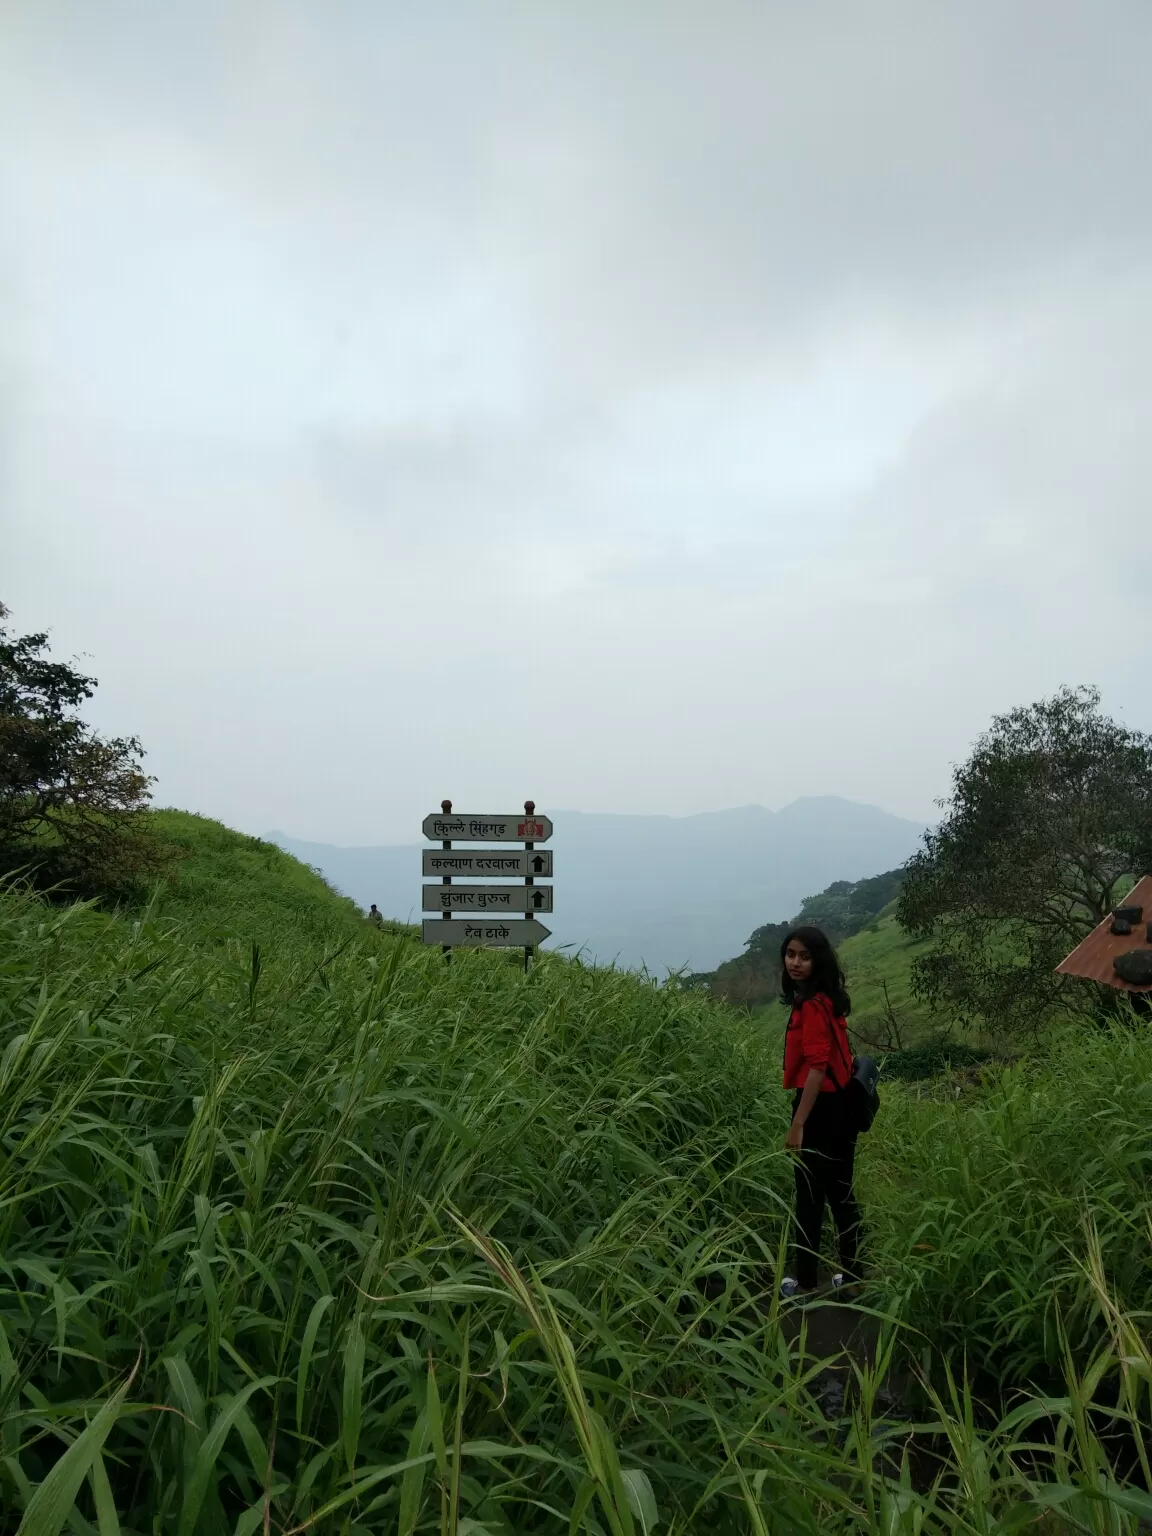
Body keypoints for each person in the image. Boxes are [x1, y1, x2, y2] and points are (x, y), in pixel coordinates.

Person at [778, 924, 865, 1302]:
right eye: (791, 954)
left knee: (809, 1197)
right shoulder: (827, 998)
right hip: (843, 1105)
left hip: (820, 1110)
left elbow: (815, 1068)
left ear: (818, 960)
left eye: (804, 956)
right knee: (841, 1194)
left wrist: (798, 1124)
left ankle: (806, 1285)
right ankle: (854, 1278)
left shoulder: (811, 1006)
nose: (795, 962)